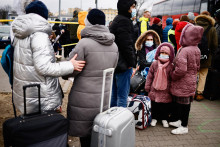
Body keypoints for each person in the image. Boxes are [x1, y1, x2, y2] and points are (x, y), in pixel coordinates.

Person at [11, 1, 85, 114]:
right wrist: (70, 65)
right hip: (40, 97)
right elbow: (44, 68)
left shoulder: (21, 33)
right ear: (43, 16)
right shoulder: (39, 35)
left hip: (27, 93)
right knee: (43, 128)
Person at [65, 9, 118, 147]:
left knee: (85, 139)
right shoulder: (114, 46)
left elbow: (68, 71)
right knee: (98, 135)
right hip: (103, 99)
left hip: (84, 100)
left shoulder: (84, 44)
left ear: (87, 22)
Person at [169, 24, 203, 135]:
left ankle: (184, 126)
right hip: (191, 80)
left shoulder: (184, 50)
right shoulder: (196, 49)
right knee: (185, 104)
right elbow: (198, 66)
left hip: (182, 81)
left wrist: (173, 75)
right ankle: (180, 122)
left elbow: (181, 70)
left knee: (183, 105)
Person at [109, 0, 137, 107]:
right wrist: (132, 63)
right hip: (123, 64)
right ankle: (120, 120)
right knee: (122, 96)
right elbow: (126, 45)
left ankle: (111, 118)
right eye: (133, 7)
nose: (134, 9)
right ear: (127, 7)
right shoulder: (125, 21)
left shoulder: (117, 19)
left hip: (116, 62)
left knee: (114, 94)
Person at [145, 43, 175, 127]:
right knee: (155, 104)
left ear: (170, 54)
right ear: (158, 52)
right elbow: (150, 76)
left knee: (164, 105)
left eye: (166, 53)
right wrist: (147, 86)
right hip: (154, 88)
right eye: (162, 52)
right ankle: (154, 118)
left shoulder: (170, 65)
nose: (164, 55)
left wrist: (172, 89)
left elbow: (172, 78)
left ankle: (164, 118)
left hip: (166, 89)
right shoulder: (154, 64)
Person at [194, 11, 218, 101]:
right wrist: (211, 53)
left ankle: (192, 92)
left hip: (194, 55)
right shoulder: (212, 28)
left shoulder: (194, 26)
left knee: (194, 74)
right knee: (203, 75)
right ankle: (199, 94)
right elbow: (214, 44)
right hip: (206, 56)